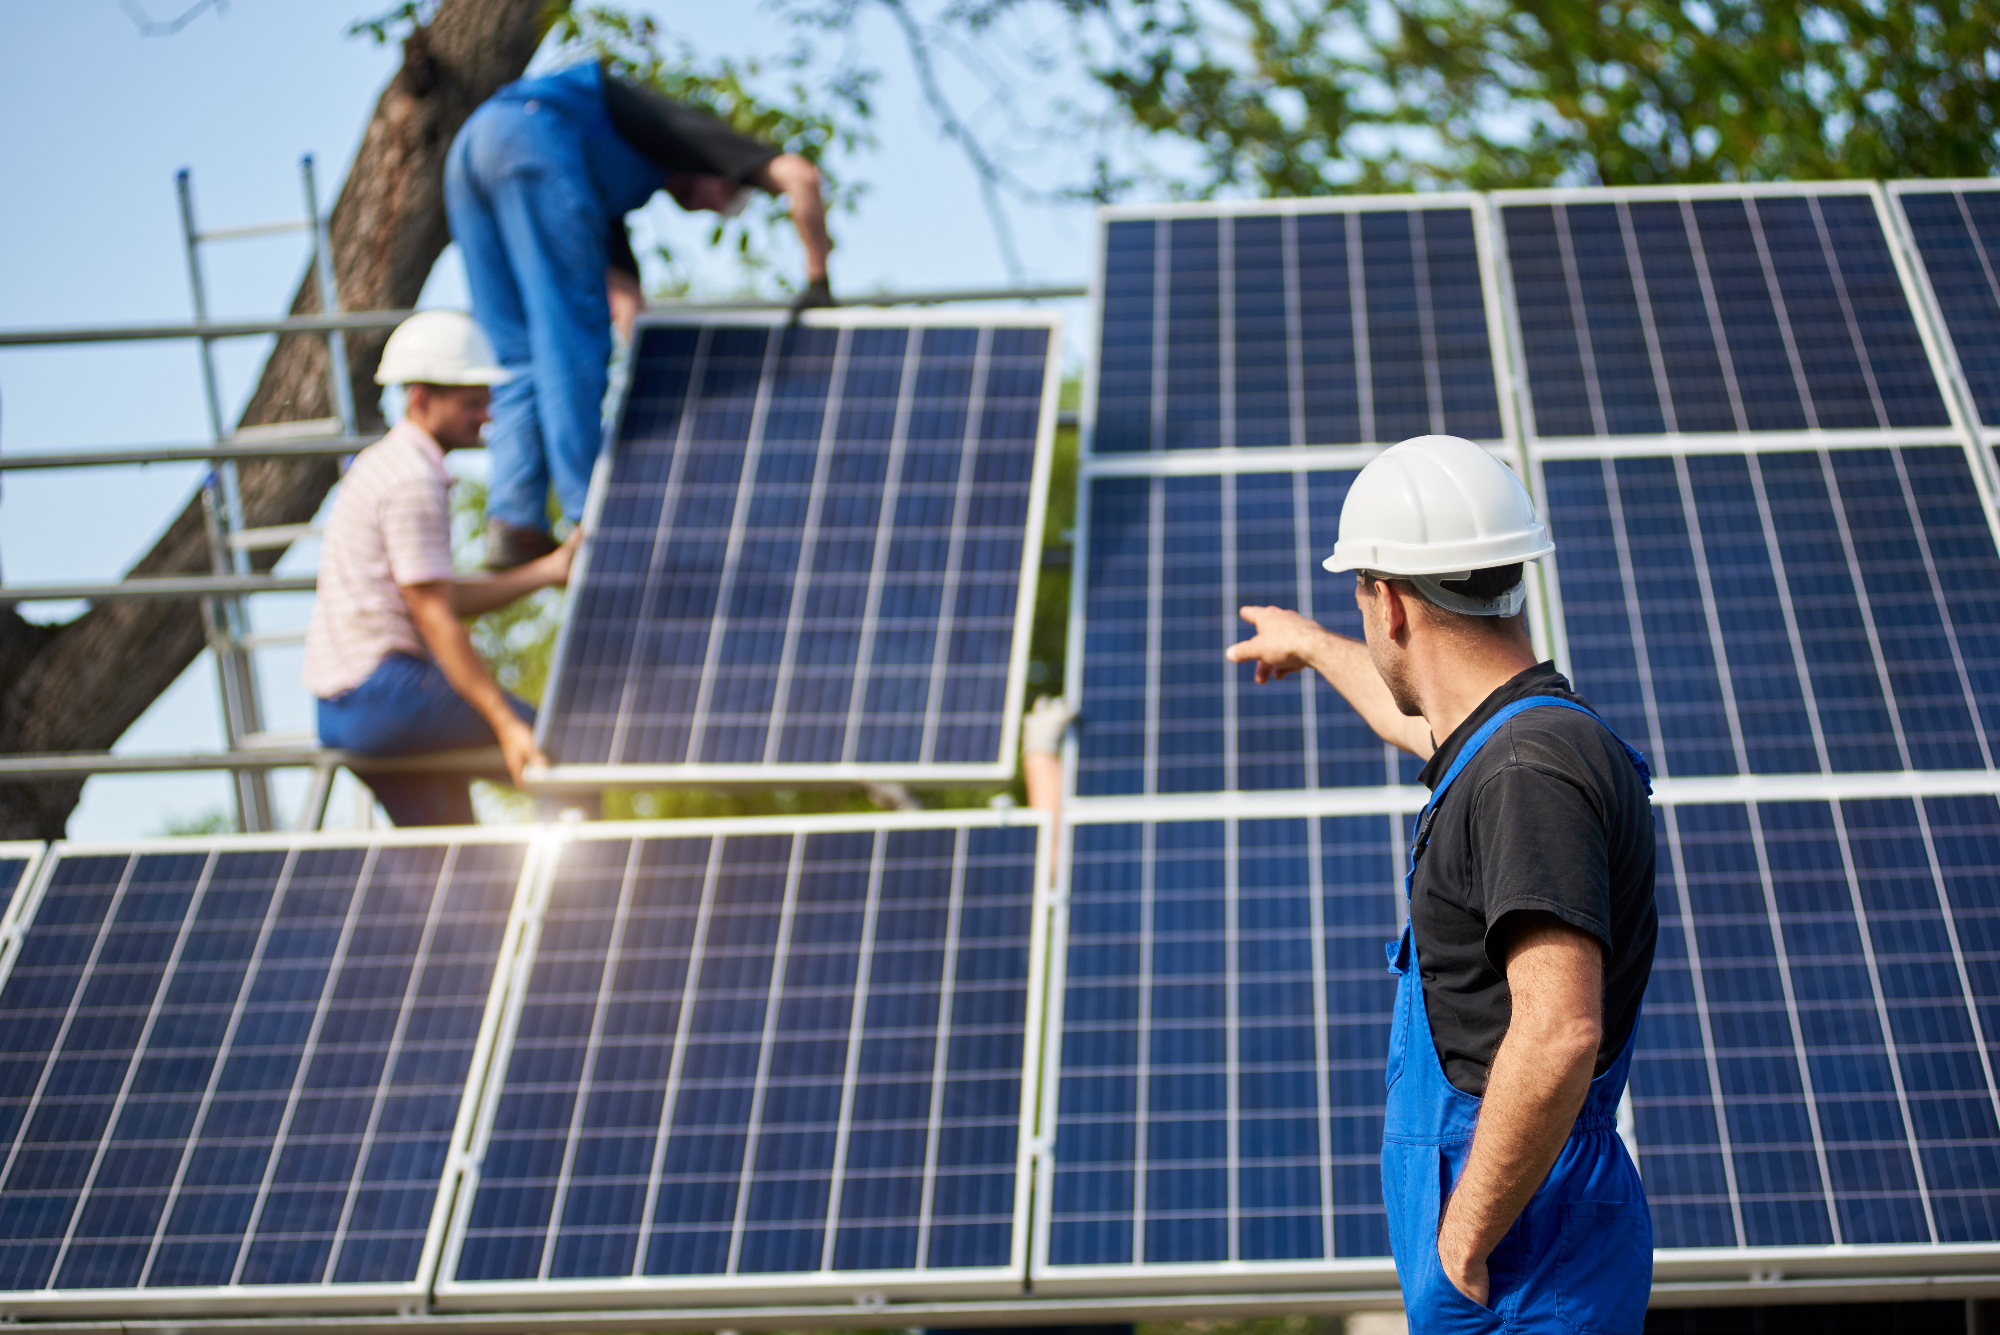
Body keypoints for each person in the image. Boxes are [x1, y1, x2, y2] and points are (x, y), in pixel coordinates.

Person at [1225, 434, 1657, 1333]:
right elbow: (1410, 716)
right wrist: (1309, 643)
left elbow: (1559, 1028)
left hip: (1520, 1266)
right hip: (1526, 1243)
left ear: (1389, 602)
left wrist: (1459, 1245)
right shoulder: (1512, 742)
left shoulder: (1524, 773)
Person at [444, 60, 834, 570]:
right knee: (572, 343)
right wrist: (817, 279)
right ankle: (592, 513)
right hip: (535, 141)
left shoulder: (618, 184)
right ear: (723, 170)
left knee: (516, 350)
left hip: (472, 150)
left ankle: (516, 522)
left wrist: (672, 381)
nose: (714, 207)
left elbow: (626, 306)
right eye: (727, 196)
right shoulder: (690, 134)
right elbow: (800, 177)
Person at [304, 311, 578, 826]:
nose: (487, 417)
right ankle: (588, 903)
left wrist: (548, 570)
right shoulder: (412, 480)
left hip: (339, 709)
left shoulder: (381, 464)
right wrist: (505, 724)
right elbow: (435, 617)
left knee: (448, 859)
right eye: (472, 404)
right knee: (563, 759)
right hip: (384, 695)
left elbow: (436, 596)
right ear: (421, 399)